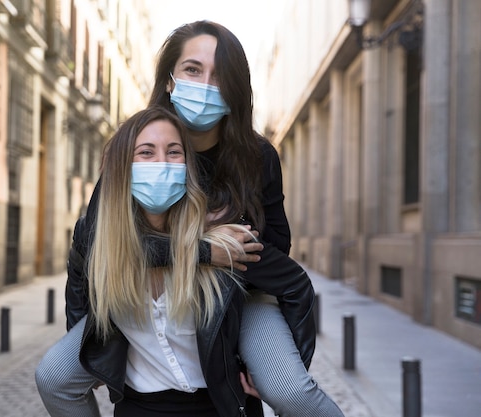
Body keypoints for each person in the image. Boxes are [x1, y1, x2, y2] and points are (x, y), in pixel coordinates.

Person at [39, 20, 345, 416]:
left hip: (237, 292)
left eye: (219, 75)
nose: (205, 84)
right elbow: (97, 240)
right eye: (193, 70)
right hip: (142, 293)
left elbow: (275, 248)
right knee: (54, 376)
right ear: (170, 79)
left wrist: (227, 257)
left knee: (292, 393)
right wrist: (202, 248)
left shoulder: (257, 156)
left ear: (235, 87)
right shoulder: (139, 145)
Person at [37, 105, 257, 416]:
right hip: (137, 406)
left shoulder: (223, 236)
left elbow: (285, 286)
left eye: (173, 152)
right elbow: (79, 281)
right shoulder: (101, 236)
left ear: (188, 165)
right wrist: (90, 356)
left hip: (216, 407)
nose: (161, 164)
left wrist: (268, 371)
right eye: (146, 152)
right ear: (123, 166)